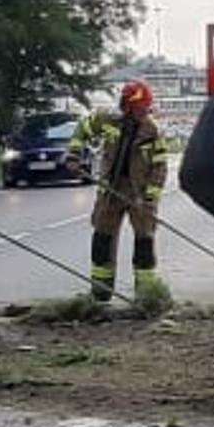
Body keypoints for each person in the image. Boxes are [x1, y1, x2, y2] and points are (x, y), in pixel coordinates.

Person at [69, 79, 171, 303]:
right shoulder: (107, 120)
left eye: (146, 107)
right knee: (102, 240)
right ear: (128, 105)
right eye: (140, 107)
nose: (144, 111)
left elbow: (160, 167)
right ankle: (101, 292)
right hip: (110, 191)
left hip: (140, 194)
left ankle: (146, 295)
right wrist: (74, 155)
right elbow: (82, 129)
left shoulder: (152, 131)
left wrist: (149, 198)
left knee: (144, 243)